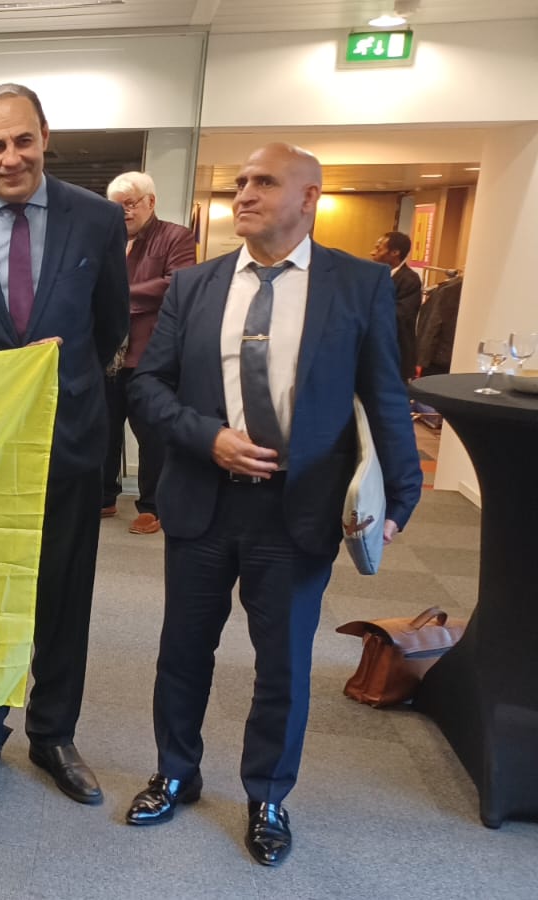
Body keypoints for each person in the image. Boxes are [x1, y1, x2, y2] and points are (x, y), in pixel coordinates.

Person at [126, 143, 422, 866]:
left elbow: (384, 392)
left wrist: (401, 493)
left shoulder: (359, 285)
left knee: (283, 663)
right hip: (202, 502)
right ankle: (175, 772)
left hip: (298, 510)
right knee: (182, 651)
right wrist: (207, 437)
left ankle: (267, 794)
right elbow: (147, 385)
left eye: (264, 181)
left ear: (309, 197)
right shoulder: (194, 285)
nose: (245, 193)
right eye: (241, 181)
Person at [0, 82, 128, 806]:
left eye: (23, 140)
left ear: (45, 138)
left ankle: (54, 733)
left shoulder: (98, 219)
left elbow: (110, 325)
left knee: (65, 597)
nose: (11, 158)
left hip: (69, 439)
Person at [103, 171, 197, 534]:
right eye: (117, 206)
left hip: (150, 355)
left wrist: (120, 297)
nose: (124, 212)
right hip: (108, 354)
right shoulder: (106, 239)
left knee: (152, 436)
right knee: (105, 431)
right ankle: (105, 496)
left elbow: (178, 284)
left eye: (131, 204)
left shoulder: (175, 236)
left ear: (151, 202)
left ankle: (152, 506)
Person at [371, 231, 422, 381]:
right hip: (370, 352)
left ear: (395, 252)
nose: (372, 252)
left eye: (379, 248)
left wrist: (368, 311)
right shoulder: (371, 275)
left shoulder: (410, 279)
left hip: (396, 354)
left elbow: (401, 314)